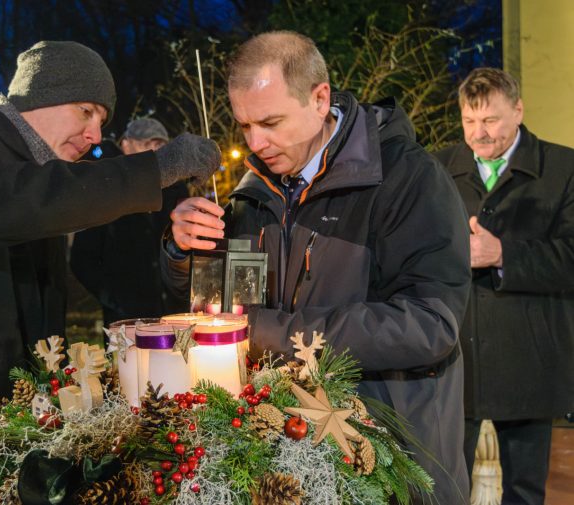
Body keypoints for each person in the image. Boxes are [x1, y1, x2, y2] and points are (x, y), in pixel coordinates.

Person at [0, 40, 220, 505]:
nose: (95, 135)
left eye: (103, 122)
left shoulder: (42, 182)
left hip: (10, 452)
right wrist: (156, 168)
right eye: (86, 111)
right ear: (40, 96)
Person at [163, 31, 472, 504]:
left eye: (270, 121)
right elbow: (222, 304)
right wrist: (183, 252)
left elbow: (430, 326)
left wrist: (268, 333)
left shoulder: (408, 179)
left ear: (320, 98)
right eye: (244, 125)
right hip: (286, 458)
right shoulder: (253, 192)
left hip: (389, 458)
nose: (255, 142)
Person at [434, 67, 574, 505]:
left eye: (490, 120)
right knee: (444, 485)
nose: (479, 133)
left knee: (525, 490)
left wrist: (502, 254)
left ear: (518, 110)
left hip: (530, 355)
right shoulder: (437, 168)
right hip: (454, 356)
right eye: (469, 121)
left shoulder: (564, 168)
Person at [71, 118, 189, 326]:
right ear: (126, 145)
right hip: (126, 322)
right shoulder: (106, 190)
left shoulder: (176, 192)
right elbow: (82, 258)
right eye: (146, 145)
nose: (154, 152)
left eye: (159, 145)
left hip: (172, 316)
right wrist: (113, 300)